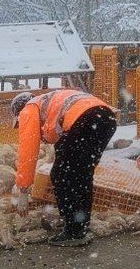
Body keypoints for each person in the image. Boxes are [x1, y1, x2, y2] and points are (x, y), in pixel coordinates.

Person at [10, 86, 116, 248]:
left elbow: (27, 151)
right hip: (105, 119)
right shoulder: (51, 103)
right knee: (81, 175)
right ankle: (79, 225)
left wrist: (23, 190)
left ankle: (74, 230)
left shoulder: (30, 108)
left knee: (62, 175)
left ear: (19, 112)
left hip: (85, 120)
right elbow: (61, 141)